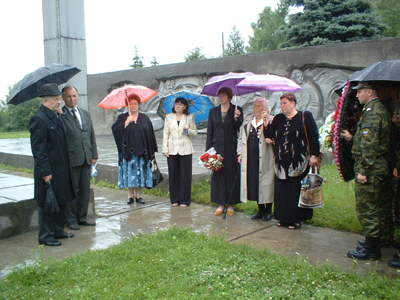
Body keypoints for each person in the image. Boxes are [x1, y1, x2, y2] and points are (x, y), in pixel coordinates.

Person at [29, 83, 77, 246]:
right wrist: (45, 171)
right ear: (46, 100)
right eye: (56, 99)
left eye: (59, 98)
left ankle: (58, 230)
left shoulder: (56, 115)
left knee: (61, 200)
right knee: (47, 203)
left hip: (61, 169)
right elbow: (39, 149)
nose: (59, 102)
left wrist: (60, 115)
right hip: (48, 170)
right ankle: (46, 235)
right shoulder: (39, 119)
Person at [347, 81, 390, 260]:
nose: (357, 95)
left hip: (371, 169)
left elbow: (369, 144)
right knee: (377, 206)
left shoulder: (373, 112)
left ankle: (372, 249)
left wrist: (363, 170)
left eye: (359, 92)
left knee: (367, 208)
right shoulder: (377, 109)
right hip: (378, 166)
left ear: (369, 92)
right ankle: (374, 241)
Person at [264, 93, 320, 230]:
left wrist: (314, 155)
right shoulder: (278, 118)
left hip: (298, 160)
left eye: (285, 103)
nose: (282, 106)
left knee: (295, 189)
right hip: (281, 161)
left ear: (293, 103)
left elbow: (313, 136)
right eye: (281, 103)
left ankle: (296, 219)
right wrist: (266, 123)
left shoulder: (305, 116)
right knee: (282, 190)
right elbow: (270, 135)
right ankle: (283, 218)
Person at [61, 86, 98, 230]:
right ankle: (71, 219)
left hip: (86, 157)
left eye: (74, 96)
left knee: (85, 189)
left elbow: (91, 135)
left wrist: (94, 154)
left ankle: (82, 216)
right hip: (71, 158)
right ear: (64, 97)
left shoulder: (84, 114)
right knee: (72, 190)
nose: (72, 99)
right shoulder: (61, 115)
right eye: (69, 96)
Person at [111, 94, 158, 204]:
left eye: (135, 104)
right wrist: (126, 123)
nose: (133, 105)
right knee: (130, 173)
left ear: (139, 105)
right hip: (129, 152)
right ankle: (130, 196)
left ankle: (139, 196)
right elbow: (115, 130)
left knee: (140, 174)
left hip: (142, 151)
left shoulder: (144, 118)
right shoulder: (122, 118)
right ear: (127, 105)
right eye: (130, 103)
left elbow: (151, 134)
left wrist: (153, 150)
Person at [206, 87, 243, 216]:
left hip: (231, 147)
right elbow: (210, 131)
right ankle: (221, 203)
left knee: (231, 174)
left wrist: (237, 118)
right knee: (218, 175)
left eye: (223, 95)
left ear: (229, 97)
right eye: (219, 95)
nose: (220, 98)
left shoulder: (236, 110)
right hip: (216, 148)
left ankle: (231, 204)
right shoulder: (213, 111)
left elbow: (239, 128)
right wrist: (208, 152)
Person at [238, 98, 274, 221]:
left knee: (266, 183)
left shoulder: (271, 120)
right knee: (254, 183)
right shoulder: (248, 120)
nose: (255, 108)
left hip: (265, 158)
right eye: (254, 105)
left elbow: (274, 137)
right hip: (250, 157)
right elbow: (241, 139)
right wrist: (240, 153)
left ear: (265, 108)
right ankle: (260, 210)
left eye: (258, 106)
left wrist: (265, 122)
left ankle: (268, 210)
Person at [162, 97, 198, 207]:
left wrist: (188, 129)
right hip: (172, 149)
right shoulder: (168, 117)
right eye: (176, 104)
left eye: (181, 104)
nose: (178, 106)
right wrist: (165, 149)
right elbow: (165, 134)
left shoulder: (189, 117)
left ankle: (184, 200)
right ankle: (174, 199)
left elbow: (195, 133)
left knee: (185, 176)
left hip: (185, 149)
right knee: (173, 175)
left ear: (185, 107)